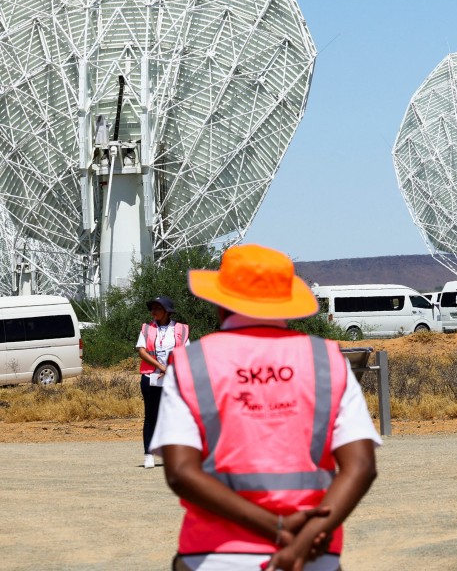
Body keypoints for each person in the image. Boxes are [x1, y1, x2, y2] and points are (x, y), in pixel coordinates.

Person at [150, 244, 380, 571]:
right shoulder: (327, 361)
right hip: (312, 556)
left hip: (214, 554)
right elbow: (361, 467)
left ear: (220, 302)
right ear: (287, 301)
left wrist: (279, 531)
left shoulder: (191, 364)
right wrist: (304, 538)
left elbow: (181, 473)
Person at [137, 296, 190, 469]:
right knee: (151, 416)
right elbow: (142, 351)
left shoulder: (181, 329)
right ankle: (148, 454)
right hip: (150, 378)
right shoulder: (146, 328)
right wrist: (161, 367)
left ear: (166, 311)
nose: (153, 312)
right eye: (152, 308)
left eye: (157, 308)